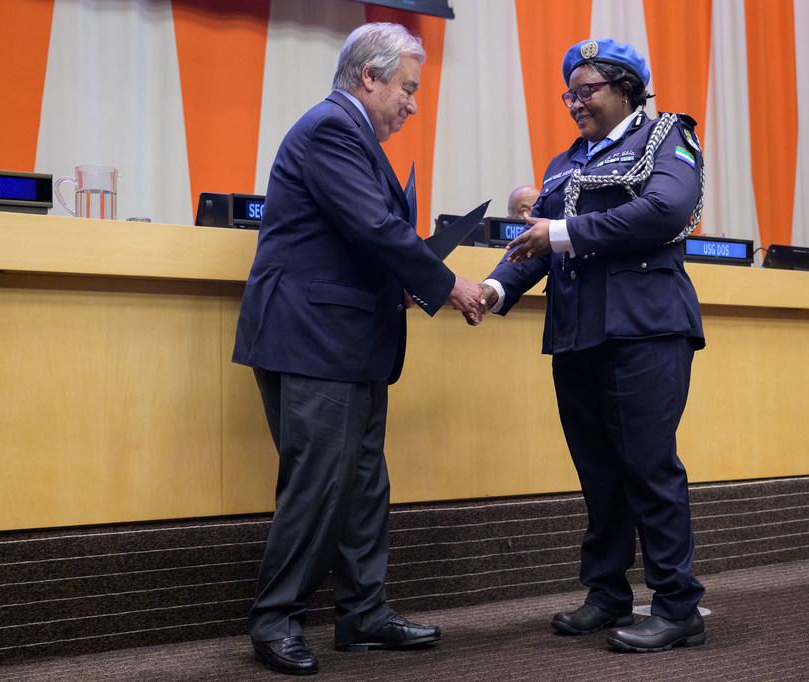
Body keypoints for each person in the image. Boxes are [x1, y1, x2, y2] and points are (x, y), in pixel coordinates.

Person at [232, 22, 484, 675]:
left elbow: (357, 238)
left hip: (347, 342)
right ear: (368, 77)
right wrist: (445, 283)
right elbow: (372, 226)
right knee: (317, 485)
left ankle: (364, 614)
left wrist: (404, 281)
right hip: (313, 342)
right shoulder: (332, 128)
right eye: (408, 87)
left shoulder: (349, 134)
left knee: (364, 484)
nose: (413, 104)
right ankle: (275, 620)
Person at [473, 39, 707, 653]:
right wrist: (495, 288)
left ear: (626, 89)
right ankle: (607, 594)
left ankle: (678, 606)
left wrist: (563, 232)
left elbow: (665, 210)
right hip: (577, 335)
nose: (575, 103)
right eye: (569, 94)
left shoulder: (667, 137)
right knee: (598, 473)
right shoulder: (563, 163)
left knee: (648, 467)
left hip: (645, 328)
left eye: (587, 91)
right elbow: (536, 245)